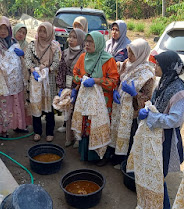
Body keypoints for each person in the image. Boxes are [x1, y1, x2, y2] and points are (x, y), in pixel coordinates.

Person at [138, 51, 184, 209]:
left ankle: (163, 205)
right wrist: (148, 110)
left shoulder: (179, 91)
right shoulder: (163, 82)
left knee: (158, 177)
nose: (155, 67)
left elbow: (175, 120)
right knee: (152, 175)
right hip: (155, 134)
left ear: (168, 67)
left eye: (159, 64)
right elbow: (154, 102)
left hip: (166, 139)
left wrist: (151, 117)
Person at [71, 31, 119, 165]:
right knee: (85, 124)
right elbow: (75, 74)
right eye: (86, 41)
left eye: (91, 42)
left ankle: (100, 156)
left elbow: (114, 81)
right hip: (85, 99)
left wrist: (96, 80)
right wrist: (82, 79)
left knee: (98, 125)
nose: (87, 44)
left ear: (98, 43)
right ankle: (85, 153)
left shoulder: (108, 60)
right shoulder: (82, 57)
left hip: (102, 101)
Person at [110, 38, 155, 164]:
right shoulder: (126, 64)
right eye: (128, 52)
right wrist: (115, 90)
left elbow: (148, 97)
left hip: (132, 111)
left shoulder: (147, 73)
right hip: (119, 105)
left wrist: (135, 94)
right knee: (116, 130)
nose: (129, 55)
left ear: (141, 54)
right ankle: (115, 154)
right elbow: (118, 79)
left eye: (133, 53)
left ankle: (124, 160)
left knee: (129, 135)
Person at [24, 22, 60, 142]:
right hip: (35, 80)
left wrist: (48, 69)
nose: (42, 34)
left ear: (50, 32)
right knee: (36, 104)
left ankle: (50, 132)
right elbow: (27, 59)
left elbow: (56, 62)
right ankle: (37, 131)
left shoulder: (55, 46)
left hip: (49, 80)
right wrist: (33, 70)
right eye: (40, 31)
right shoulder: (32, 45)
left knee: (49, 106)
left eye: (45, 31)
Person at [56, 28, 86, 147]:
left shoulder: (84, 55)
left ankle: (78, 138)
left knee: (77, 113)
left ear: (80, 40)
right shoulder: (65, 52)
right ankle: (69, 137)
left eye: (75, 37)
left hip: (78, 88)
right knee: (68, 112)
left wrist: (76, 88)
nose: (71, 39)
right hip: (67, 86)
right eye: (70, 37)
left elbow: (84, 73)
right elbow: (61, 70)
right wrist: (61, 87)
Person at [13, 23, 33, 132]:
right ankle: (15, 123)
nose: (21, 34)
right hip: (13, 77)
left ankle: (23, 123)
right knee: (14, 101)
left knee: (24, 100)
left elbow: (31, 60)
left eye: (24, 33)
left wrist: (24, 54)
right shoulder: (9, 43)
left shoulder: (27, 45)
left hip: (24, 77)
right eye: (19, 31)